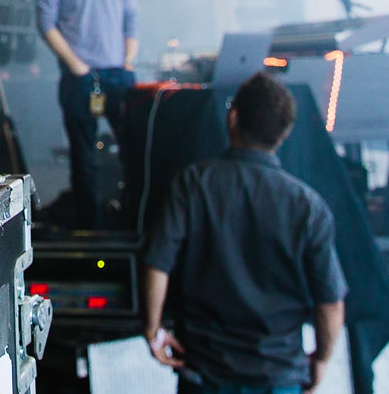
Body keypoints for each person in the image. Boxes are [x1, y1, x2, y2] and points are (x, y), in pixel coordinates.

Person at [140, 73, 346, 393]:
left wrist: (153, 331)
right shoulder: (308, 206)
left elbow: (157, 265)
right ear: (284, 132)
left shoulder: (193, 184)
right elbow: (330, 303)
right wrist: (321, 358)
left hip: (203, 372)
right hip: (278, 377)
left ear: (232, 118)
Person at [37, 0, 139, 229]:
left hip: (117, 73)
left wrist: (128, 60)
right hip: (79, 76)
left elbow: (132, 15)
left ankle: (133, 220)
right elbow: (46, 22)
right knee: (83, 158)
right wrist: (75, 63)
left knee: (134, 150)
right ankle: (90, 229)